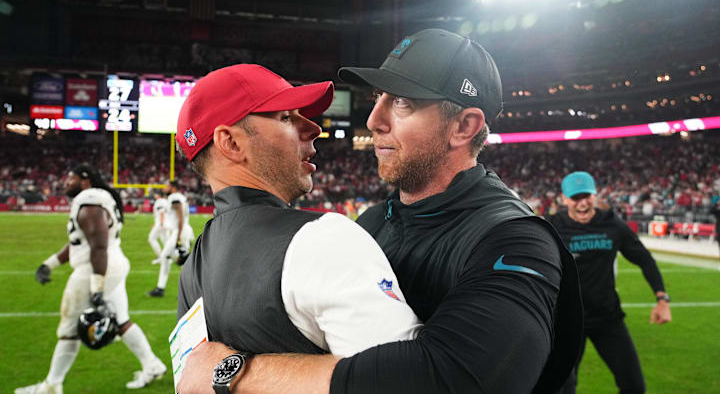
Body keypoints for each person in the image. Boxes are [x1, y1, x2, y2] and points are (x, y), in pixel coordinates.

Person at [178, 28, 583, 394]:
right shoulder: (372, 221)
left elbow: (460, 380)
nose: (374, 119)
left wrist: (238, 373)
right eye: (379, 98)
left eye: (402, 102)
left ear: (463, 127)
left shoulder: (516, 240)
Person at [174, 64, 423, 392]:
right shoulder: (324, 237)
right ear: (231, 143)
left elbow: (191, 381)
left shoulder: (192, 269)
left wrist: (231, 374)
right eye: (287, 117)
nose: (313, 128)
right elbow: (410, 383)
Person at [15, 165, 167, 394]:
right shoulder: (96, 200)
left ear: (85, 181)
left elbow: (98, 247)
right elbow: (81, 243)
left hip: (95, 269)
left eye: (71, 177)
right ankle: (153, 365)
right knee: (121, 321)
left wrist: (97, 289)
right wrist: (50, 264)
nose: (66, 182)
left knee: (68, 331)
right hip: (112, 265)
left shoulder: (90, 203)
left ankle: (52, 385)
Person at [546, 171, 672, 394]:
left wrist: (662, 298)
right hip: (568, 322)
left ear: (595, 196)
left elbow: (644, 259)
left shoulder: (612, 224)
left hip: (608, 317)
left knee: (634, 386)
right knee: (563, 388)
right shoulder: (552, 227)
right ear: (564, 200)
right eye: (575, 198)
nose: (582, 203)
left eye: (587, 196)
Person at [147, 180, 194, 297]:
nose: (164, 187)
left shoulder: (174, 197)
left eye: (167, 186)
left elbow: (180, 217)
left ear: (173, 188)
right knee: (175, 259)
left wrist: (178, 238)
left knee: (168, 258)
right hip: (180, 230)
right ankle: (161, 288)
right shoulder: (179, 197)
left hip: (180, 231)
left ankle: (161, 288)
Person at [148, 190, 170, 262]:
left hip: (161, 223)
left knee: (151, 238)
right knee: (165, 241)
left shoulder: (159, 201)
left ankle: (160, 256)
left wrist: (161, 223)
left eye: (156, 194)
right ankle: (167, 257)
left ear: (159, 195)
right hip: (166, 223)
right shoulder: (166, 201)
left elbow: (162, 212)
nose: (154, 195)